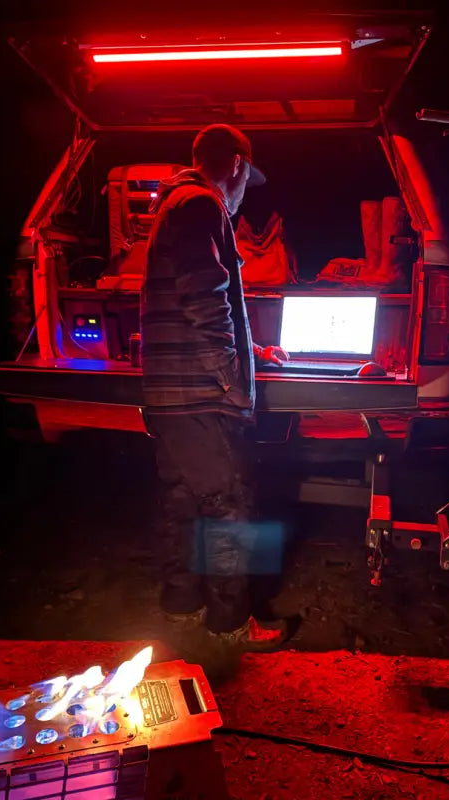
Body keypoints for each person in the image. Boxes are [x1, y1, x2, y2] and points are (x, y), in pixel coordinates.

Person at [141, 123, 293, 651]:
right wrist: (230, 375)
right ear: (236, 165)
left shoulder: (173, 204)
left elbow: (195, 299)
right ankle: (231, 623)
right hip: (200, 393)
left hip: (171, 395)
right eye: (247, 178)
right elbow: (206, 296)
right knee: (231, 505)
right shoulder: (202, 204)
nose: (244, 190)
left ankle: (181, 605)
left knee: (183, 502)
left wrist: (253, 352)